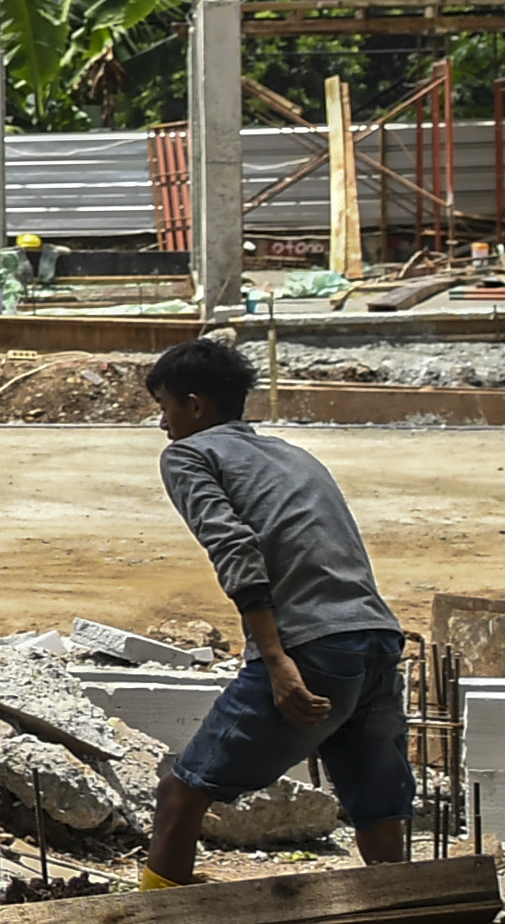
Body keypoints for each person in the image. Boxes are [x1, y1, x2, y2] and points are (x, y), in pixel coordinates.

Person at [140, 334, 414, 887]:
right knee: (378, 809)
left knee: (180, 794)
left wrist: (276, 661)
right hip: (376, 642)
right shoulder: (294, 455)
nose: (163, 424)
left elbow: (234, 548)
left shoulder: (189, 454)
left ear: (195, 405)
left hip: (311, 649)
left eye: (164, 408)